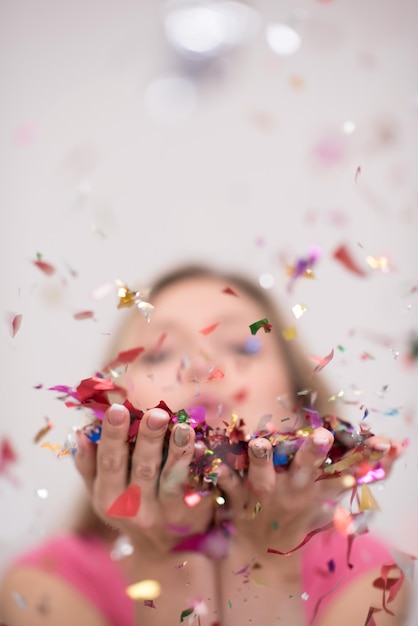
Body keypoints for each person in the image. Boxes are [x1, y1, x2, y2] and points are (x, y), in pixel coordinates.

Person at [0, 264, 412, 626]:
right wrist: (163, 560)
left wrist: (268, 559)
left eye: (242, 346)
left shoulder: (369, 576)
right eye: (160, 354)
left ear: (303, 401)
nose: (201, 365)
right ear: (113, 406)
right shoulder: (46, 587)